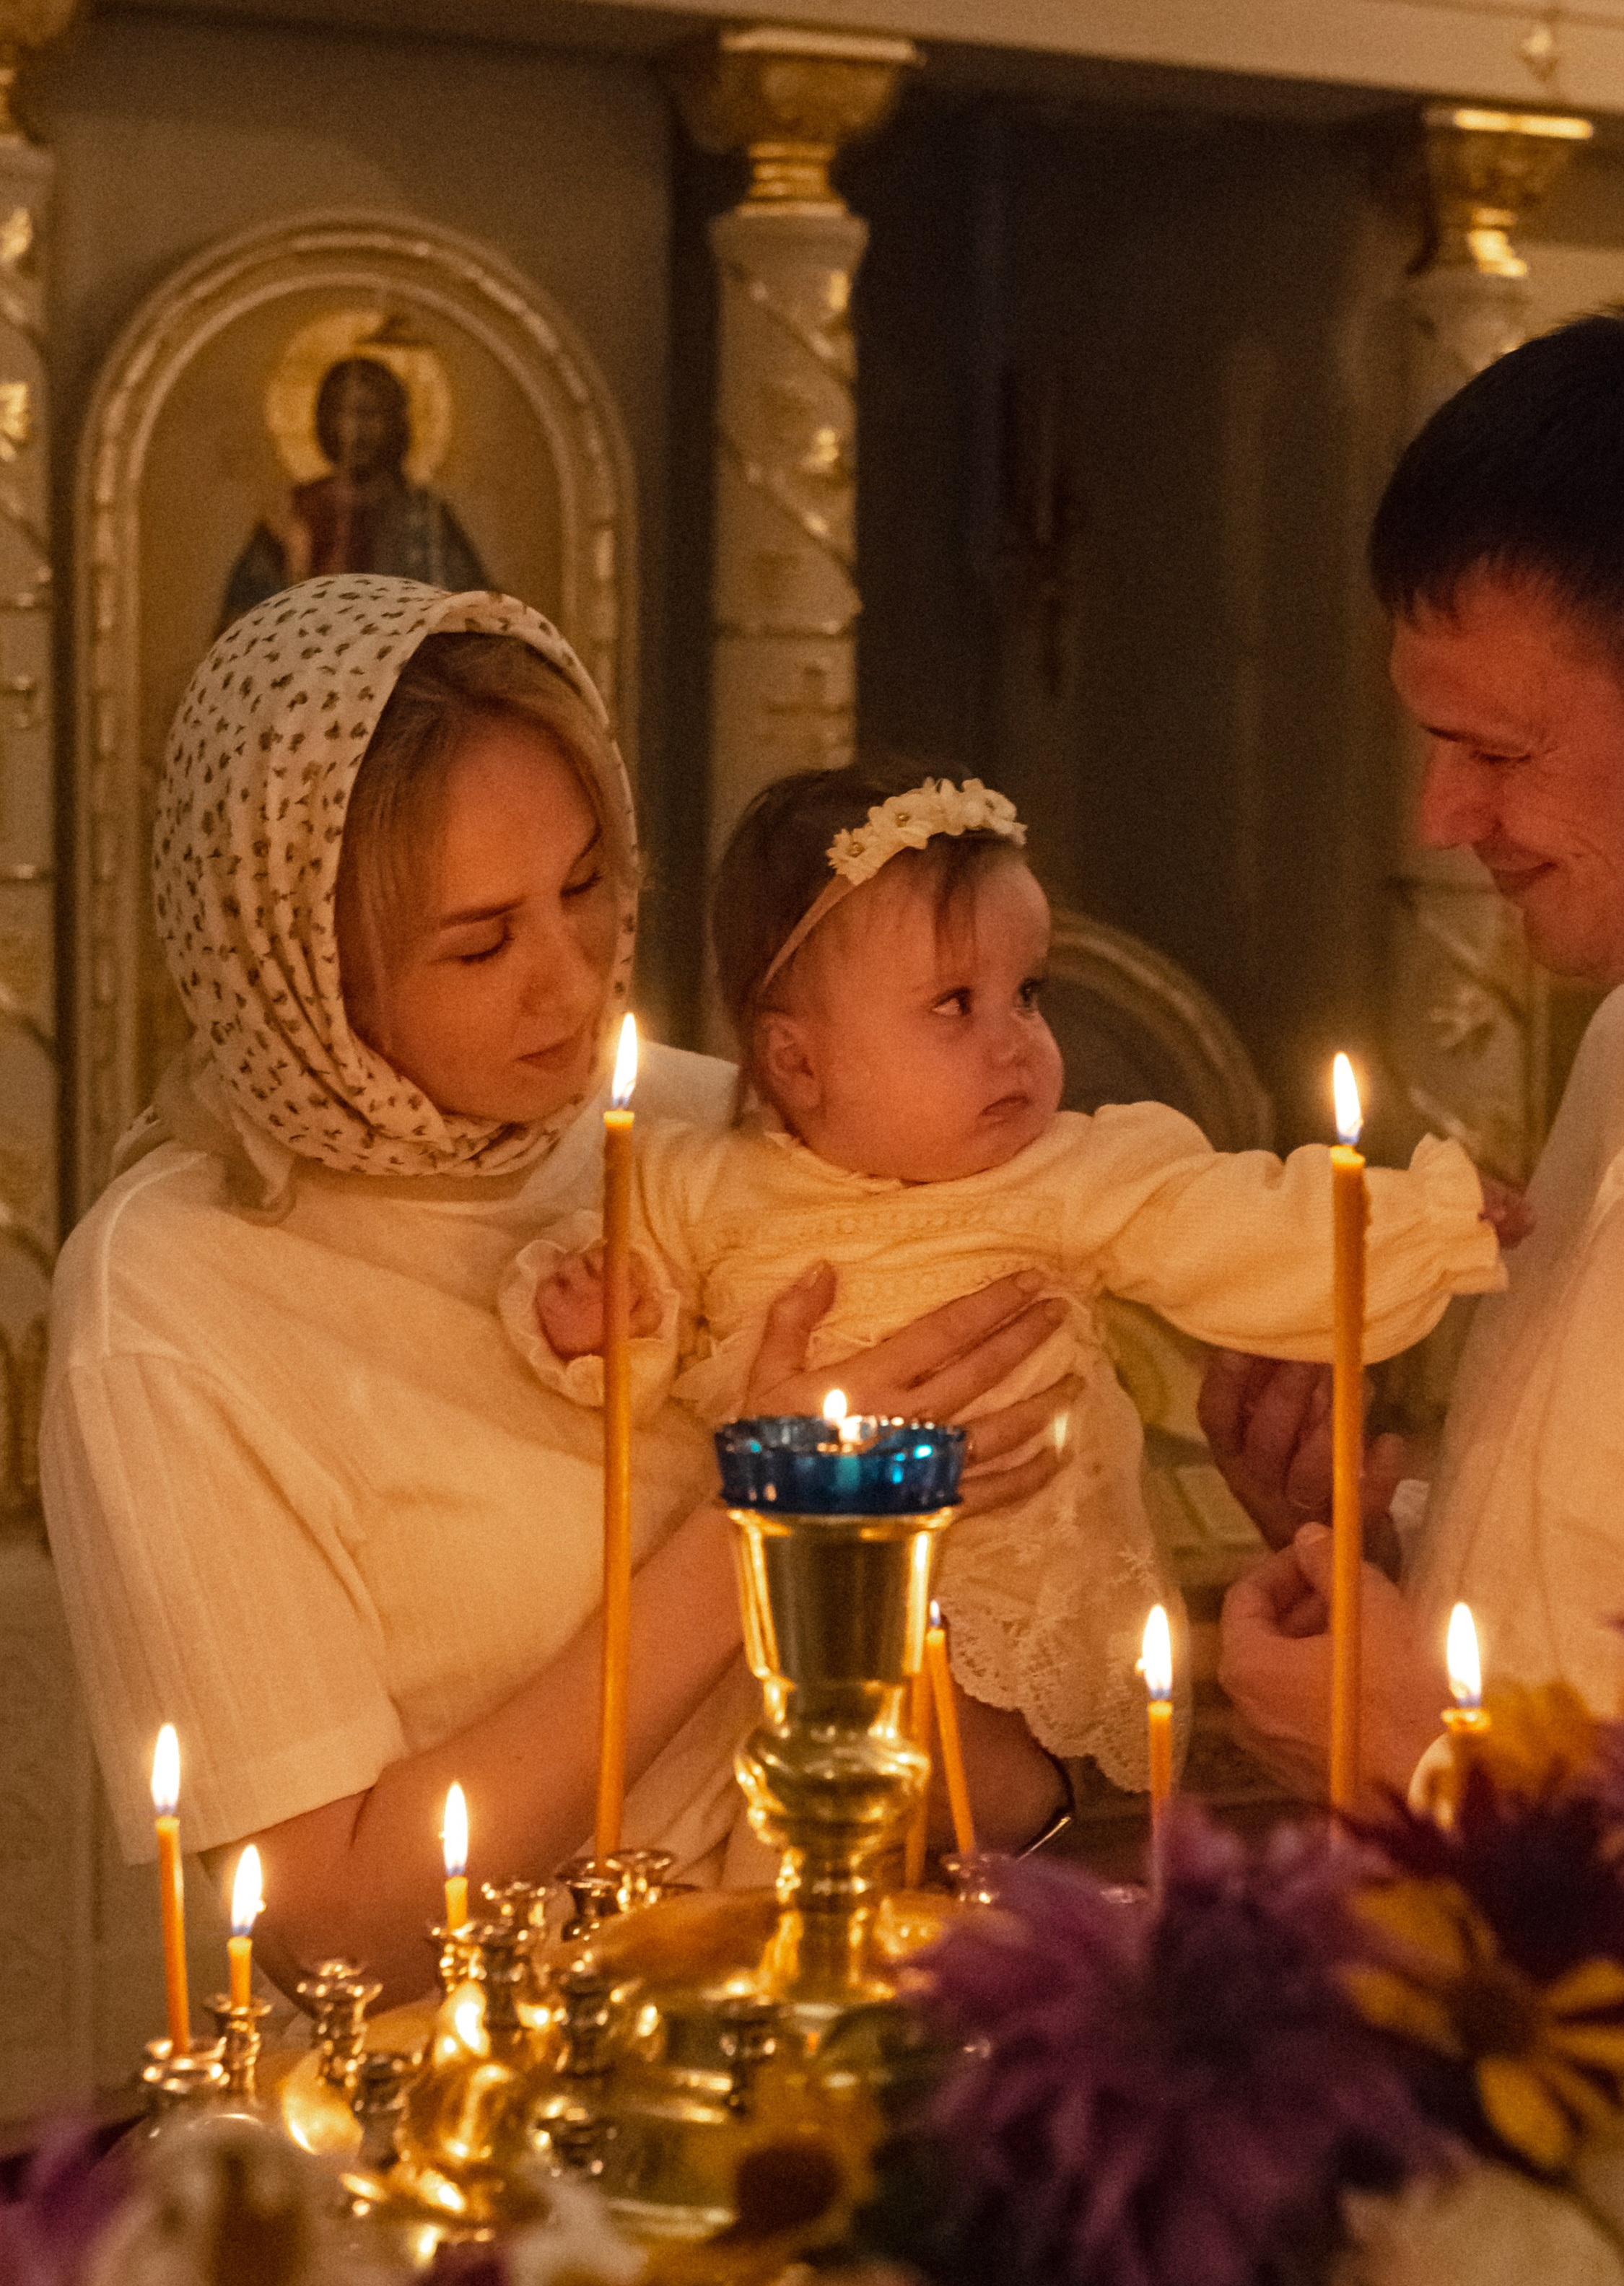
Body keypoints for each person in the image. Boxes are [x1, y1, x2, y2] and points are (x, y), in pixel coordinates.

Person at [40, 577, 1078, 2004]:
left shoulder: (723, 1134)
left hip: (858, 2010)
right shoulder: (172, 1299)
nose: (574, 983)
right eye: (481, 942)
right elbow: (336, 1934)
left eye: (586, 888)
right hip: (478, 2097)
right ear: (301, 964)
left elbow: (1003, 1758)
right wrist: (763, 1518)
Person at [501, 758, 1510, 1811]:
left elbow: (1237, 1224)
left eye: (1028, 994)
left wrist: (1424, 1221)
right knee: (801, 1810)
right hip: (785, 1612)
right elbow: (631, 1295)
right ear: (797, 1063)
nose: (1016, 1043)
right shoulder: (695, 1181)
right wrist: (603, 1320)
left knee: (926, 1797)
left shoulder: (1066, 1172)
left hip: (1013, 1595)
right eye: (956, 1004)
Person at [1210, 310, 1624, 1800]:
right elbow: (1620, 1609)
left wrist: (1412, 1759)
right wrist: (1366, 1544)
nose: (1440, 817)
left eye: (1499, 754)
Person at [219, 355, 490, 632]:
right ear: (323, 420)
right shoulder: (292, 512)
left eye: (368, 414)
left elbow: (475, 611)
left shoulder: (423, 516)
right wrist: (294, 572)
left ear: (394, 422)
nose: (353, 431)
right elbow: (242, 624)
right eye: (340, 413)